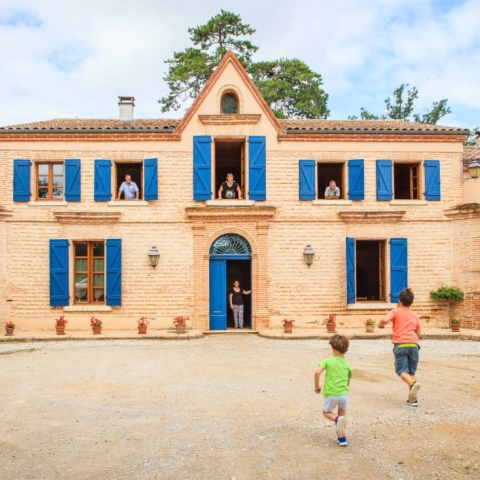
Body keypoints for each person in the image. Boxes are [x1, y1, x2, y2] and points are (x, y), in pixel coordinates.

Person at [378, 287, 422, 407]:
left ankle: (413, 384)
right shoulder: (415, 315)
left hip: (401, 344)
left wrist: (380, 325)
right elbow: (418, 332)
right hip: (414, 344)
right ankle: (413, 400)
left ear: (400, 301)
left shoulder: (395, 311)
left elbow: (384, 319)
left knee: (401, 371)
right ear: (411, 302)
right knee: (411, 372)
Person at [314, 334, 352, 447]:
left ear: (333, 349)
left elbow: (317, 372)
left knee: (326, 412)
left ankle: (336, 419)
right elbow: (348, 380)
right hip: (344, 394)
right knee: (343, 414)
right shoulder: (347, 364)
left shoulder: (328, 361)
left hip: (331, 394)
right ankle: (342, 438)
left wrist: (317, 386)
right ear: (346, 350)